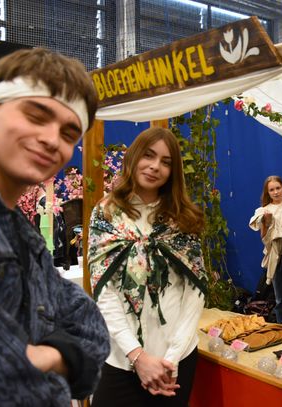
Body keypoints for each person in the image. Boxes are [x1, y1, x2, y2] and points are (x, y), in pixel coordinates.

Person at [0, 48, 110, 404]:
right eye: (36, 116)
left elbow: (92, 330)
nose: (51, 139)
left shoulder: (23, 237)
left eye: (69, 133)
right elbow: (10, 385)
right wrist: (62, 365)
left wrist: (55, 357)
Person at [88, 127, 208, 407]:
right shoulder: (106, 214)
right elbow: (104, 291)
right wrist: (137, 356)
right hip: (121, 359)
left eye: (166, 162)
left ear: (173, 171)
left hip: (174, 361)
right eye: (148, 155)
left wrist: (173, 356)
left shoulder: (182, 218)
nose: (155, 166)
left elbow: (195, 292)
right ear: (133, 157)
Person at [249, 175, 282, 323]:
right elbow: (263, 237)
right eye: (272, 190)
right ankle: (280, 325)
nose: (276, 192)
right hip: (274, 255)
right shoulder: (264, 210)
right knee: (279, 297)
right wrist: (266, 223)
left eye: (278, 188)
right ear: (267, 192)